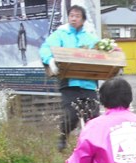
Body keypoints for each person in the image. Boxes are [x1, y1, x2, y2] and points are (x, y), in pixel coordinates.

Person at [39, 5, 100, 152]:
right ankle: (62, 137)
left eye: (77, 16)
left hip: (89, 84)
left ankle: (92, 146)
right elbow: (45, 48)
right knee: (71, 115)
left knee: (93, 117)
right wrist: (50, 60)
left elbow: (102, 52)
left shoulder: (90, 37)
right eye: (71, 15)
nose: (73, 18)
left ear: (83, 19)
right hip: (69, 83)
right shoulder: (61, 34)